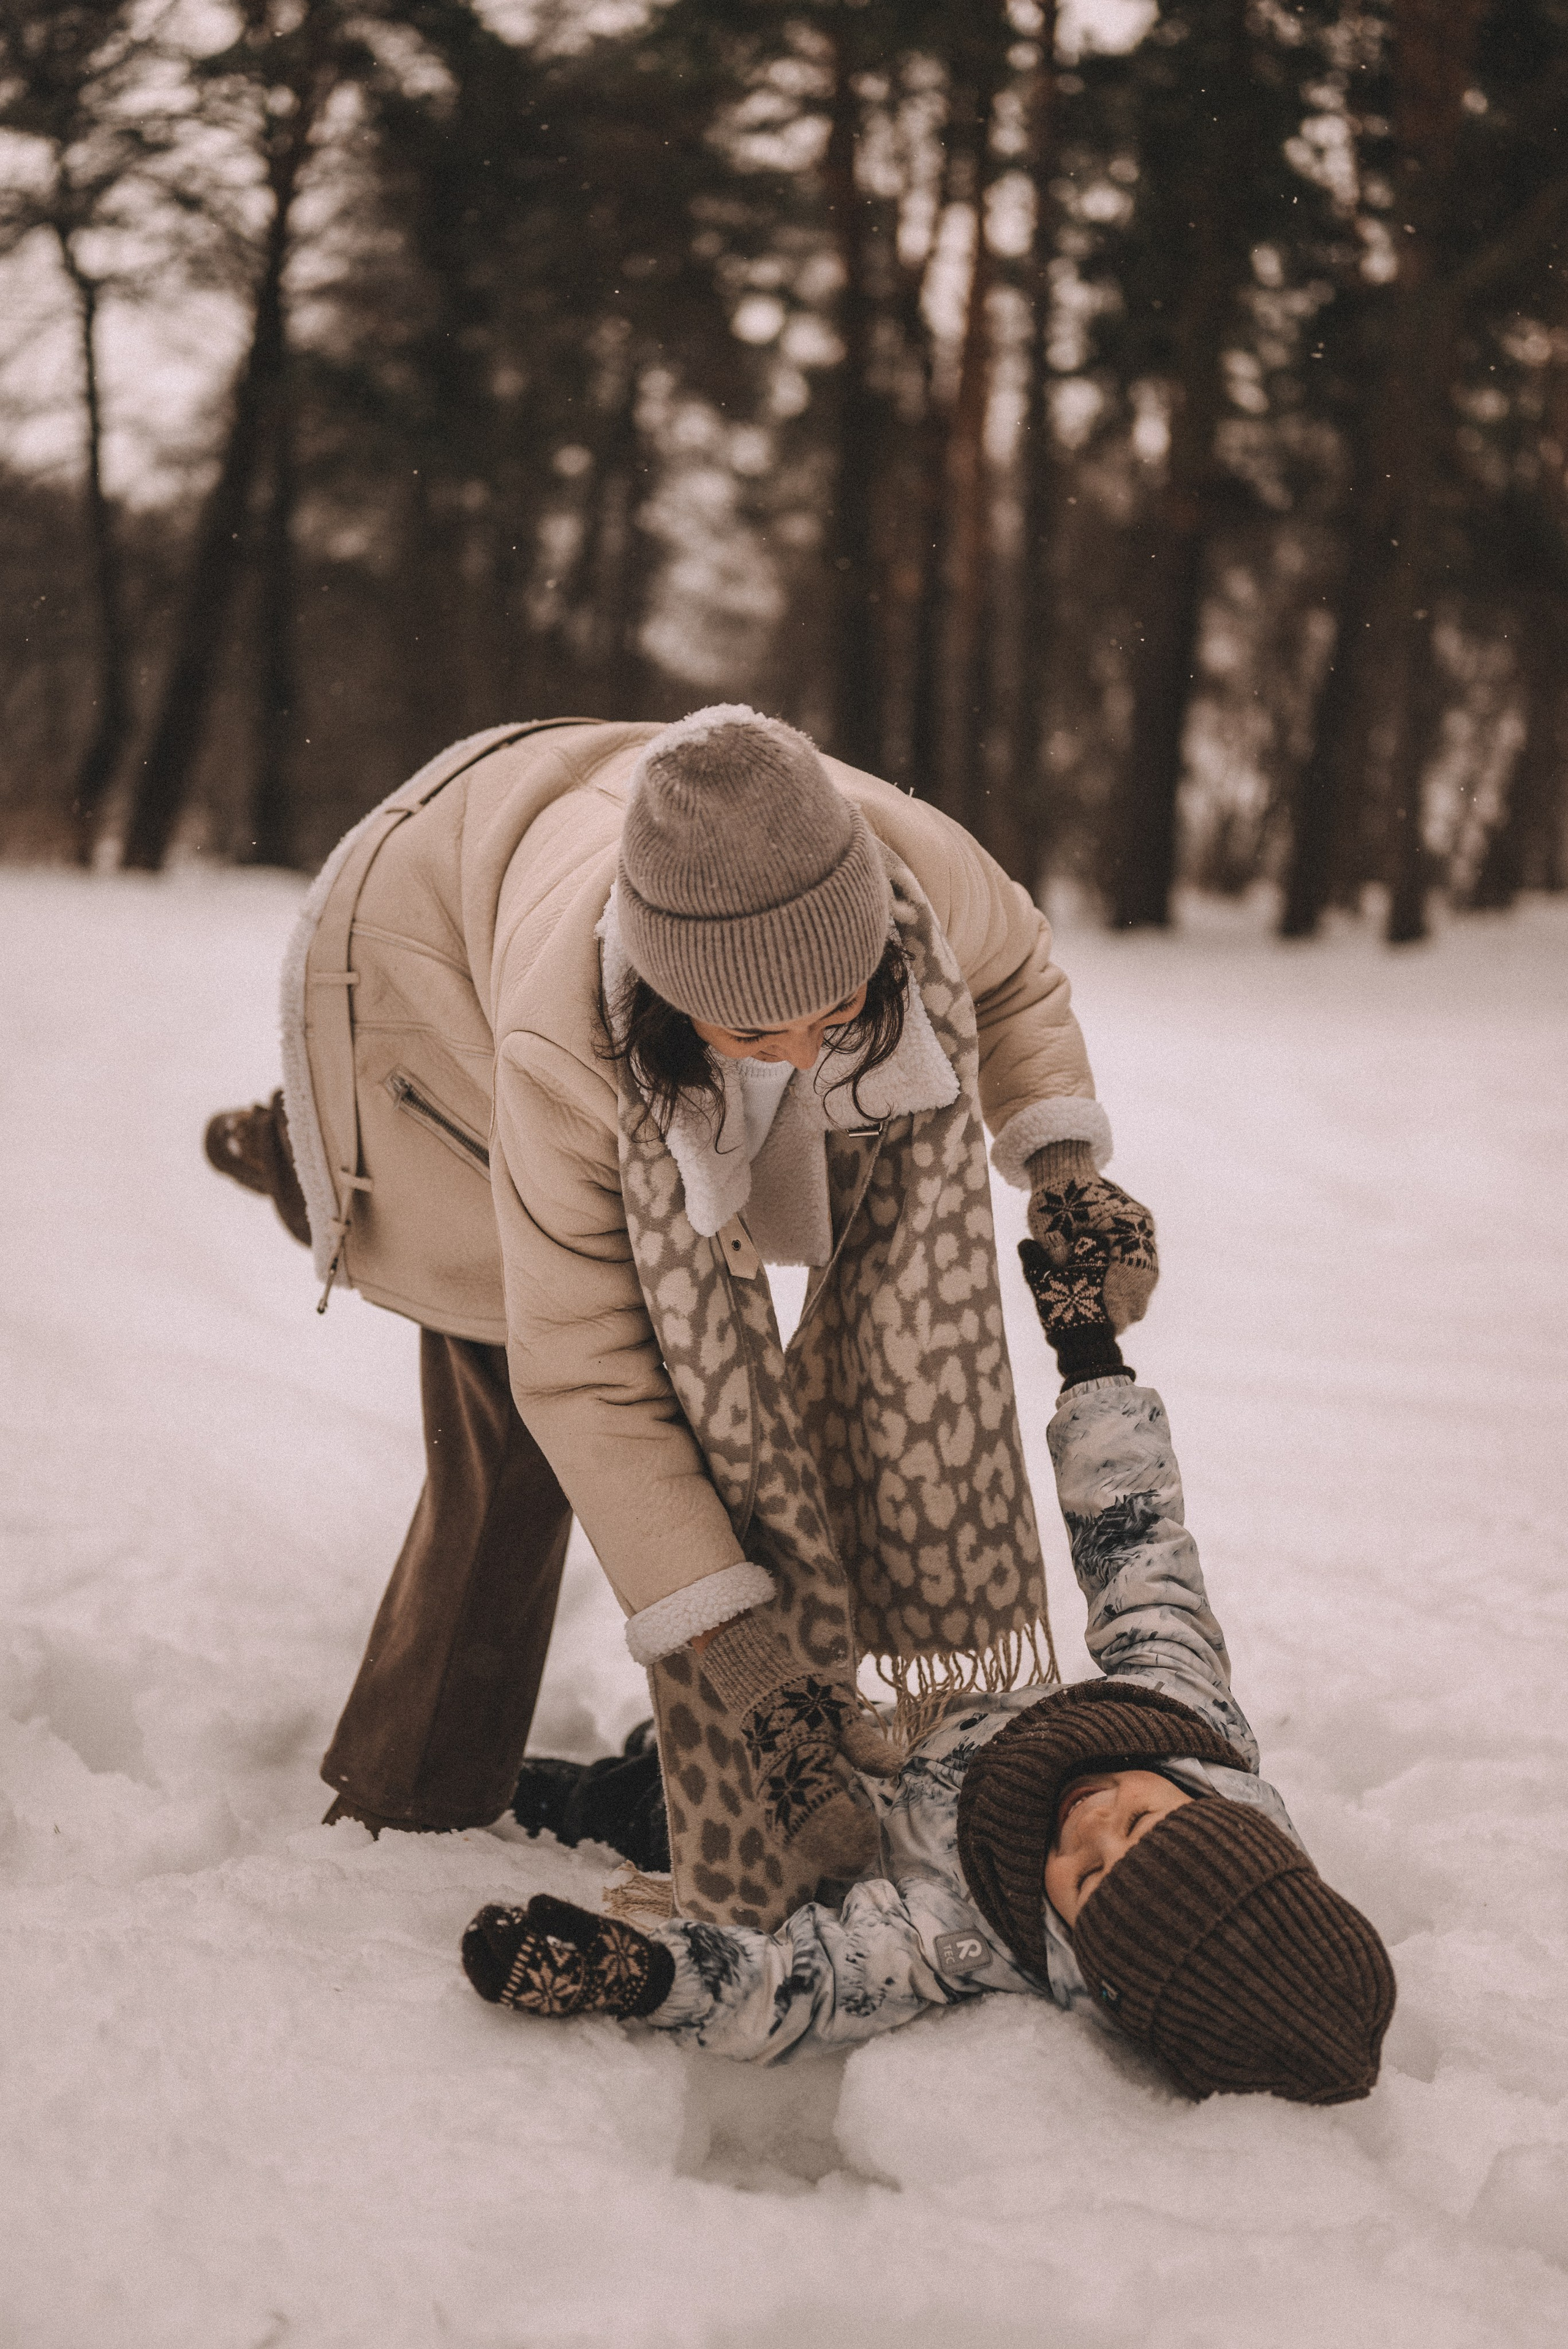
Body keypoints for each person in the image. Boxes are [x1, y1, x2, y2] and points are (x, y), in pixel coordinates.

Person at [205, 707, 1156, 1918]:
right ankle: (410, 1800)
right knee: (508, 1414)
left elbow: (1013, 971)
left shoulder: (902, 868)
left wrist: (1063, 1165)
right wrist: (739, 1657)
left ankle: (304, 1150)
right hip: (421, 961)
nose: (811, 1049)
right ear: (665, 996)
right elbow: (590, 1372)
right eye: (761, 1030)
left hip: (571, 831)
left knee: (771, 1365)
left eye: (841, 1010)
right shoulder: (564, 1051)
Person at [459, 1240, 1397, 2105]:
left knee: (658, 1805)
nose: (1093, 1825)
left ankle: (526, 1792)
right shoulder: (1183, 1716)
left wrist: (637, 1973)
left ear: (1088, 1952)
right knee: (734, 1674)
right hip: (880, 1727)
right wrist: (1091, 1361)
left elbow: (807, 1986)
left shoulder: (966, 1929)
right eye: (1142, 1819)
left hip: (821, 1829)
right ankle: (656, 1742)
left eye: (1090, 1877)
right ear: (1211, 1807)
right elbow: (1140, 1548)